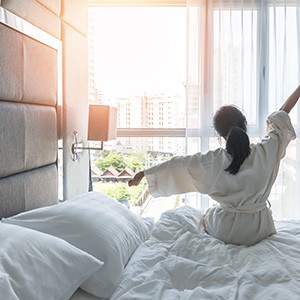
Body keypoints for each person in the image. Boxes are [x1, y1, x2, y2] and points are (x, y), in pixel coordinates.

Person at [128, 84, 300, 246]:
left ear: (220, 134)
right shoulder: (266, 152)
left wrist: (144, 173)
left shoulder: (213, 160)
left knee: (208, 214)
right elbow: (281, 115)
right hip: (259, 229)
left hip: (226, 230)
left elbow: (179, 165)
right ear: (245, 124)